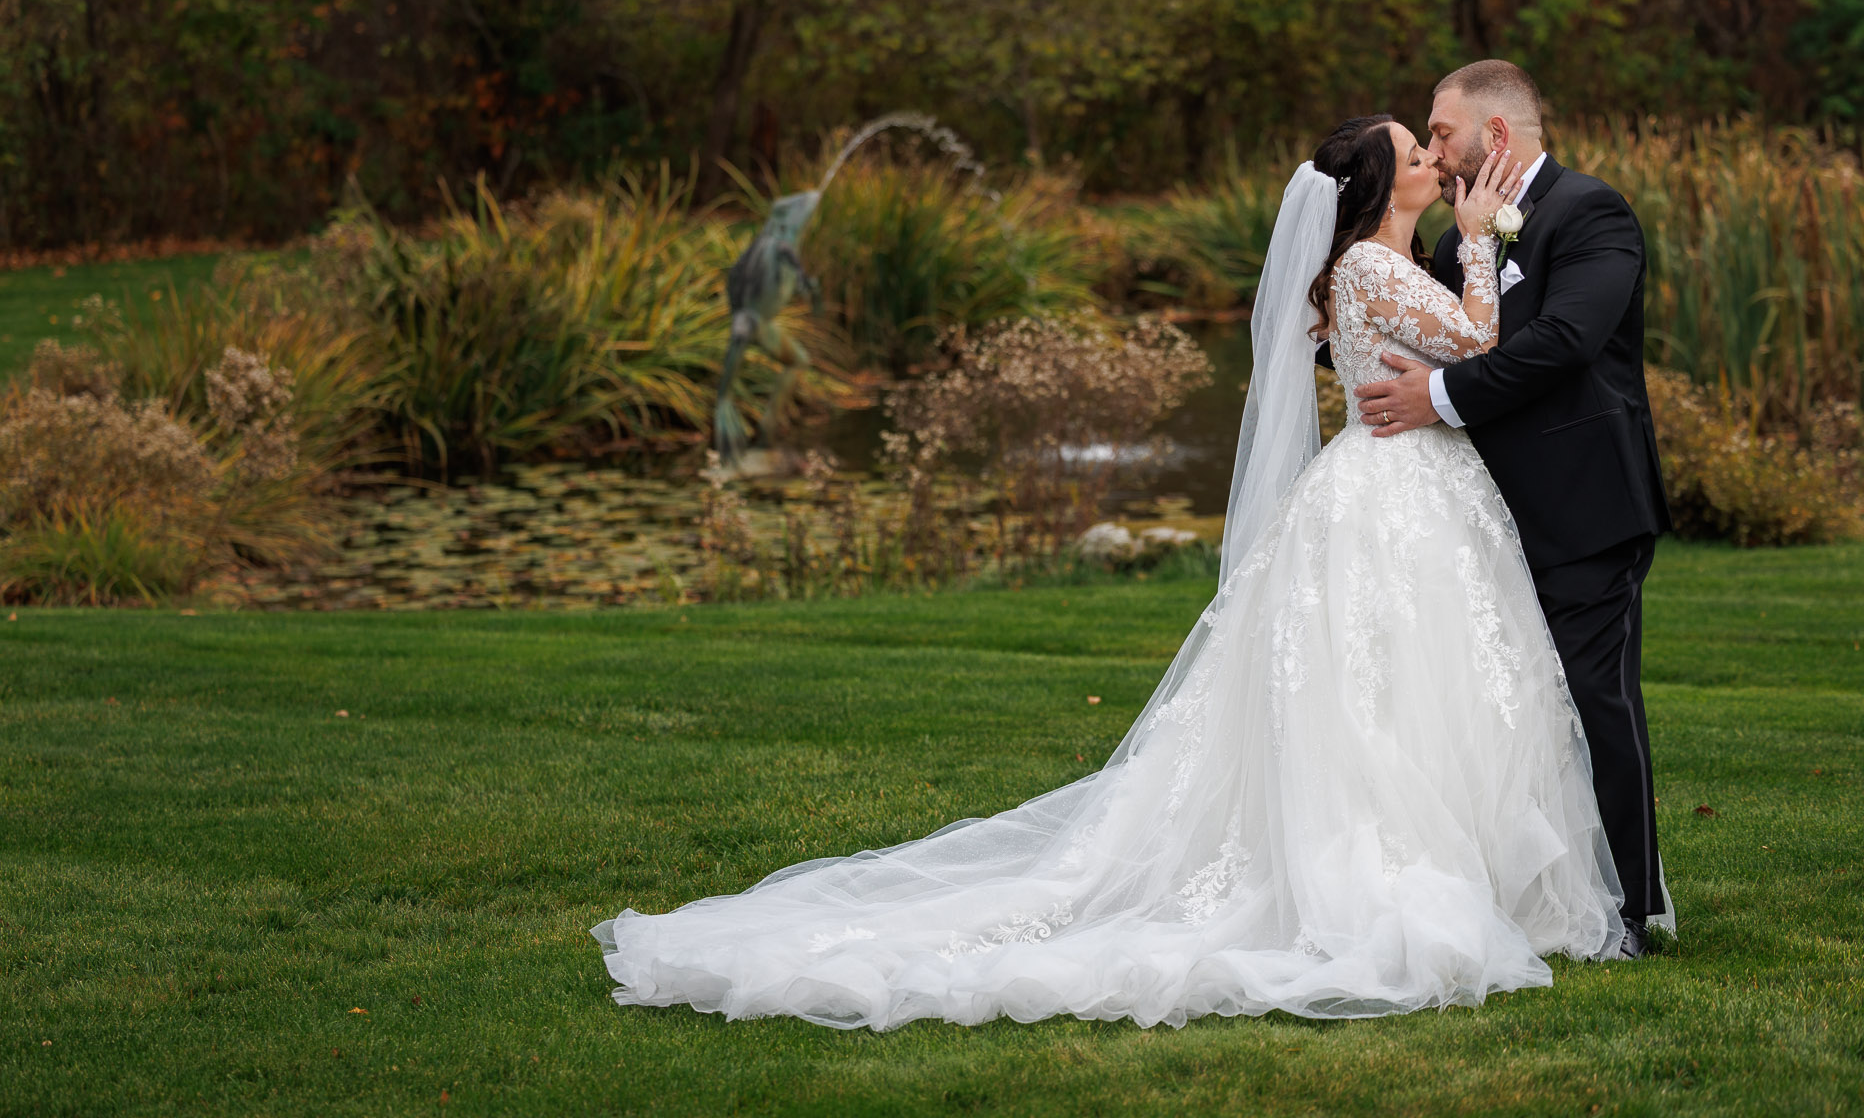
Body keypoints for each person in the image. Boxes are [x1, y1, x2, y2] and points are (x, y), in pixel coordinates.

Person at [591, 115, 1631, 1030]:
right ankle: (1392, 876)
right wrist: (1489, 241)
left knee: (1418, 682)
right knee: (1387, 687)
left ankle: (1470, 865)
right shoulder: (1368, 264)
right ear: (1379, 186)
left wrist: (1466, 252)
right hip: (1393, 491)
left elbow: (1444, 351)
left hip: (1409, 486)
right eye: (1416, 153)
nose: (1434, 161)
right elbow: (1484, 335)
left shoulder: (1381, 266)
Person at [1347, 60, 1674, 955]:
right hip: (1475, 518)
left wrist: (1439, 398)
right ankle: (1528, 894)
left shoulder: (1591, 213)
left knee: (1591, 698)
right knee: (1504, 707)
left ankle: (1633, 908)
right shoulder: (1461, 242)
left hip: (1584, 504)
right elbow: (1434, 326)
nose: (1434, 150)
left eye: (1440, 133)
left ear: (1494, 136)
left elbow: (1568, 340)